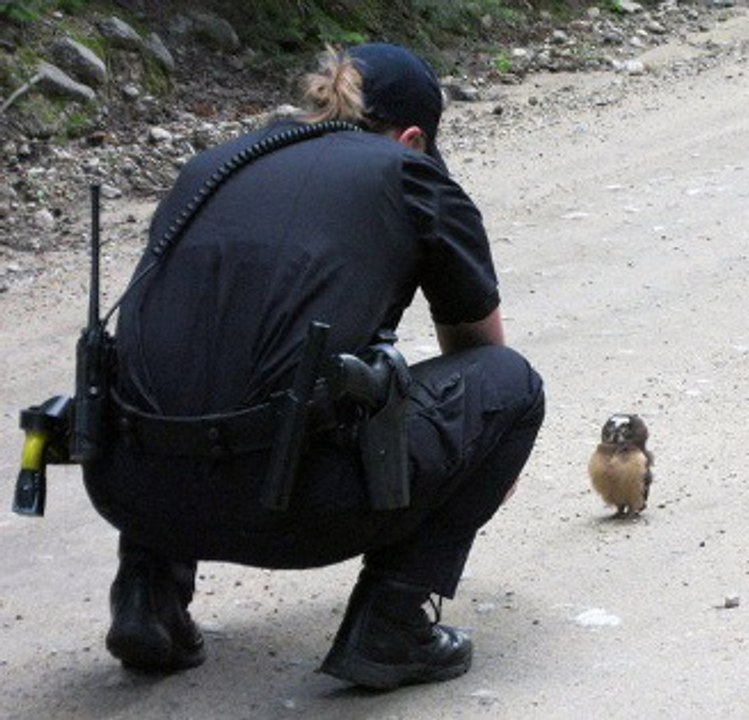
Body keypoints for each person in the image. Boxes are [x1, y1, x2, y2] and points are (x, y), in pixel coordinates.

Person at [81, 42, 545, 690]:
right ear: (412, 137)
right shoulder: (410, 174)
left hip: (129, 487)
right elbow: (479, 351)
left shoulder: (211, 168)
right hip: (290, 507)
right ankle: (393, 623)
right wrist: (480, 458)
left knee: (196, 359)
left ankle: (147, 599)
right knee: (512, 387)